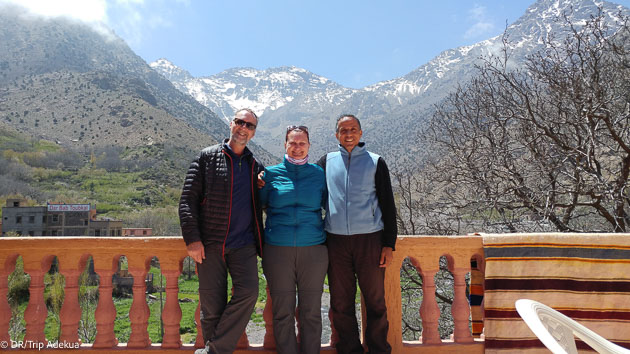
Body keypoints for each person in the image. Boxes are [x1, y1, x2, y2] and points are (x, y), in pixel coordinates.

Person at [179, 108, 265, 354]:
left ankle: (212, 351)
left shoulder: (254, 165)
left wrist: (263, 186)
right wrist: (193, 239)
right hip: (210, 245)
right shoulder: (206, 157)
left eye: (249, 126)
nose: (244, 128)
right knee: (212, 309)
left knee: (249, 292)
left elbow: (262, 201)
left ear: (254, 132)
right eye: (240, 122)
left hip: (244, 245)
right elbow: (187, 201)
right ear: (231, 124)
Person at [317, 114, 397, 354]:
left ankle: (378, 349)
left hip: (370, 239)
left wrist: (388, 244)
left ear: (361, 133)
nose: (348, 134)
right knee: (341, 302)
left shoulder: (375, 162)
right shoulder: (326, 162)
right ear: (336, 135)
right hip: (335, 241)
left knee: (375, 301)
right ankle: (349, 349)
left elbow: (388, 203)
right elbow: (317, 196)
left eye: (353, 129)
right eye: (343, 130)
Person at [259, 125, 327, 354]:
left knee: (311, 311)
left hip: (314, 250)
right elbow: (257, 206)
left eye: (302, 143)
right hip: (278, 249)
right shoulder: (269, 175)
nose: (297, 148)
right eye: (293, 143)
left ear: (309, 145)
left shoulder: (319, 174)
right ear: (285, 144)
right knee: (282, 312)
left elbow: (331, 205)